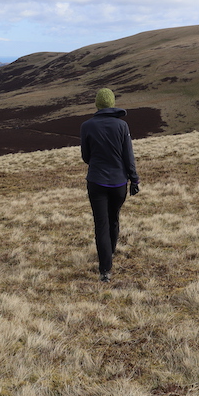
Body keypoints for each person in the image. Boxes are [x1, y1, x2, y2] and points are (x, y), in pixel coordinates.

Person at [80, 88, 140, 283]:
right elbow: (128, 156)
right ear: (112, 103)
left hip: (96, 181)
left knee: (101, 224)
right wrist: (134, 179)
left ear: (98, 104)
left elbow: (86, 157)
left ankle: (105, 269)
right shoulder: (122, 126)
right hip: (119, 182)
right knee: (113, 218)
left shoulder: (87, 126)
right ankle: (110, 253)